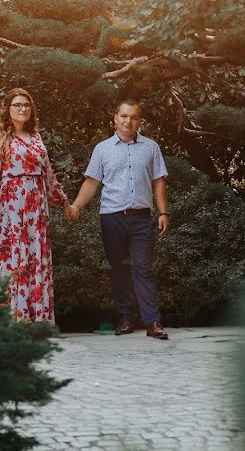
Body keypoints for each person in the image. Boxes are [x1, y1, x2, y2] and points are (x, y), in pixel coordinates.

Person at [68, 99, 171, 340]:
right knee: (119, 269)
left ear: (139, 121)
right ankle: (126, 317)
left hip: (141, 219)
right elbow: (92, 182)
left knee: (143, 269)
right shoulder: (103, 149)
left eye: (133, 117)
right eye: (124, 116)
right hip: (111, 218)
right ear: (115, 118)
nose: (128, 121)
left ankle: (152, 322)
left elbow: (159, 181)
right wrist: (75, 206)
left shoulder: (151, 147)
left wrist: (163, 212)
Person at [0, 88, 76, 323]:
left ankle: (38, 319)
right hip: (11, 206)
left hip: (37, 208)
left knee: (36, 258)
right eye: (17, 105)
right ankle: (13, 320)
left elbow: (48, 175)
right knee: (13, 259)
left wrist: (63, 202)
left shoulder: (36, 139)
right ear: (8, 110)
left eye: (26, 105)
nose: (23, 109)